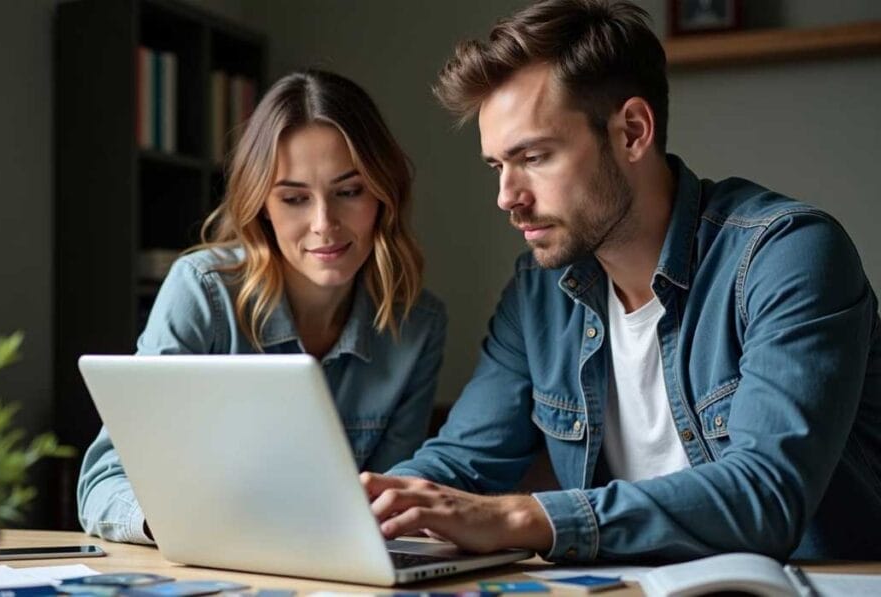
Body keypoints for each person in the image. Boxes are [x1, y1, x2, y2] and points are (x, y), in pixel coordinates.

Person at [361, 0, 881, 562]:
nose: (507, 197)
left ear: (632, 131)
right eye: (497, 166)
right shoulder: (538, 294)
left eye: (533, 156)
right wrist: (364, 509)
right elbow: (459, 464)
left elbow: (766, 495)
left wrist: (526, 516)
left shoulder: (788, 254)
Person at [79, 70, 447, 544]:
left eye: (349, 192)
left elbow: (391, 499)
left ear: (384, 193)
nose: (323, 224)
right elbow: (102, 483)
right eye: (294, 198)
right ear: (262, 208)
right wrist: (183, 525)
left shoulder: (417, 324)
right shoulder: (201, 293)